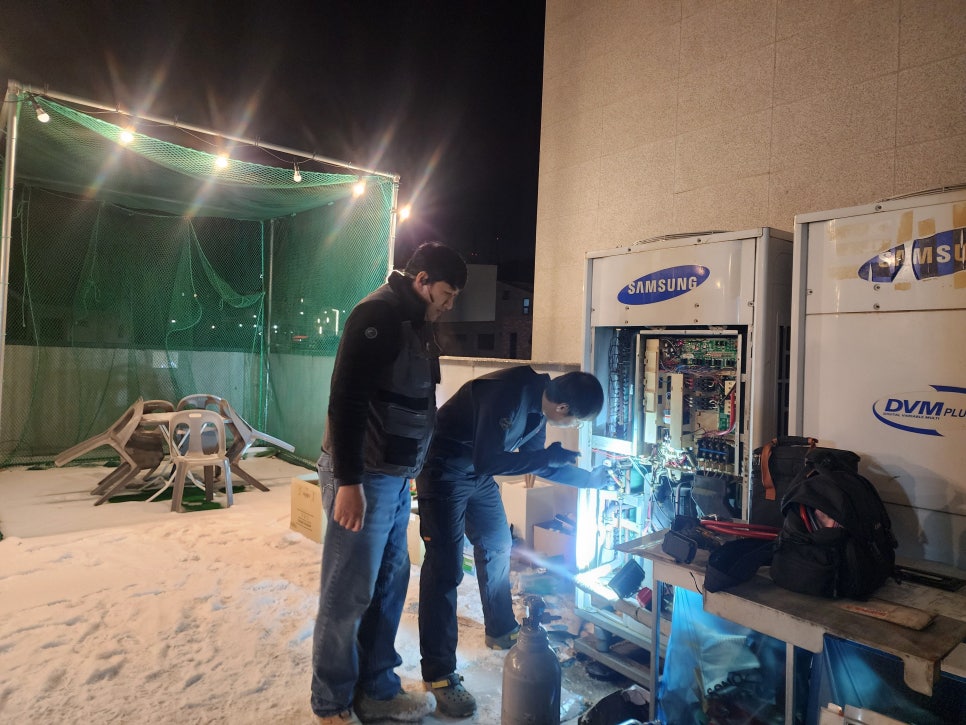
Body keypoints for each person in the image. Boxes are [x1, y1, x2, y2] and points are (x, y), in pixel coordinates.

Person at [311, 242, 467, 725]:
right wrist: (349, 482)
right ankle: (331, 702)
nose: (449, 304)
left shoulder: (414, 322)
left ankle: (377, 689)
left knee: (389, 586)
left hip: (394, 480)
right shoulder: (377, 314)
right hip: (364, 476)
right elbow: (346, 399)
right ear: (421, 281)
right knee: (348, 592)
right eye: (445, 293)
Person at [416, 365, 607, 718]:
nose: (574, 428)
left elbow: (537, 464)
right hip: (444, 468)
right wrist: (546, 456)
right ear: (563, 408)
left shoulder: (539, 407)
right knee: (445, 568)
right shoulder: (507, 393)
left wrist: (590, 480)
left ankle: (501, 628)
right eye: (577, 422)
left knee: (497, 543)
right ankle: (439, 674)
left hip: (477, 476)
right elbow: (488, 459)